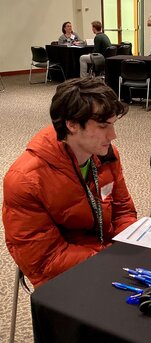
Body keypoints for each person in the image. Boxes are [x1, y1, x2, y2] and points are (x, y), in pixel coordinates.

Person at [3, 77, 137, 288]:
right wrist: (110, 259)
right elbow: (47, 260)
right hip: (66, 275)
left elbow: (123, 212)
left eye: (112, 125)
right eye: (103, 126)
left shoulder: (106, 155)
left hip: (105, 255)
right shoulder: (26, 180)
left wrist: (131, 245)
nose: (113, 135)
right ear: (72, 124)